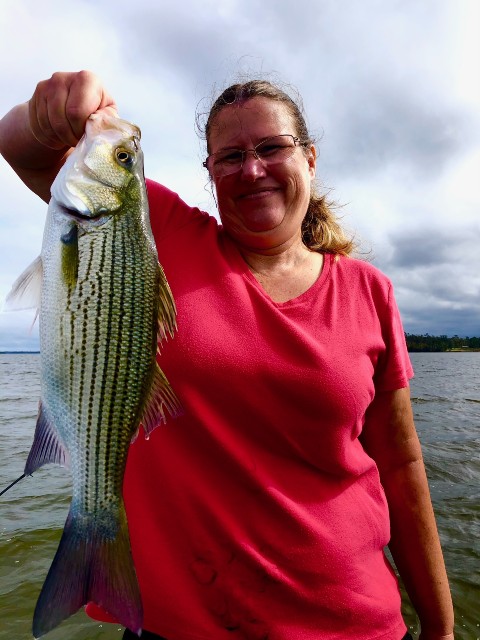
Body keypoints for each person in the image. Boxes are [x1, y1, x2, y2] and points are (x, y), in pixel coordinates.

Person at [0, 71, 454, 640]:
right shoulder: (154, 229)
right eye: (230, 155)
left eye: (272, 147)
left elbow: (402, 466)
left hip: (355, 621)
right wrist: (50, 114)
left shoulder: (370, 291)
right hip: (181, 624)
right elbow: (21, 148)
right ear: (210, 174)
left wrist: (439, 627)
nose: (253, 168)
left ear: (310, 158)